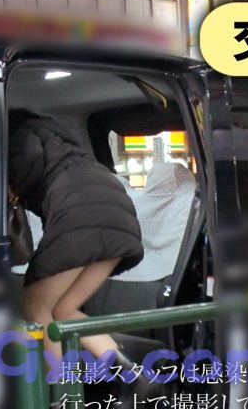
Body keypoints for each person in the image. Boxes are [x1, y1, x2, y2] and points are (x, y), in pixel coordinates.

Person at [8, 109, 146, 373]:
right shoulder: (59, 140)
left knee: (35, 305)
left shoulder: (16, 135)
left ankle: (58, 390)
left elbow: (30, 160)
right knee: (63, 310)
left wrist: (12, 188)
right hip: (118, 214)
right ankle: (133, 377)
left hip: (80, 213)